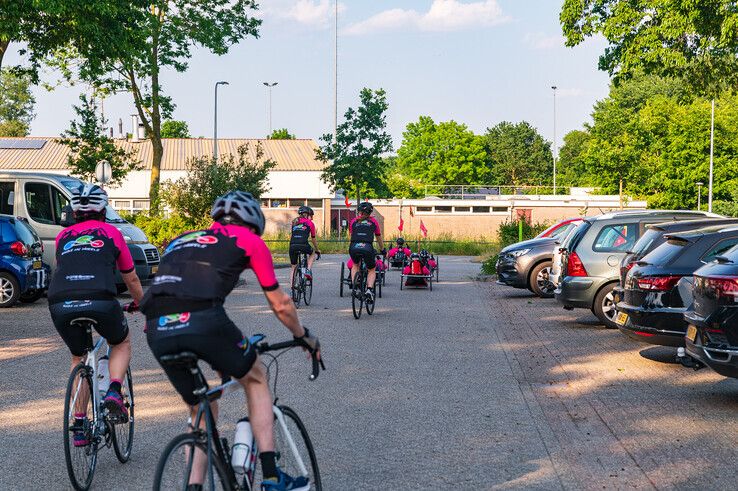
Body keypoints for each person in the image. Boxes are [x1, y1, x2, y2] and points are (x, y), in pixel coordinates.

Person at [141, 191, 320, 491]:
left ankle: (193, 486)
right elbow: (281, 305)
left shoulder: (181, 239)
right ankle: (272, 476)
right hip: (203, 319)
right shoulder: (249, 241)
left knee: (201, 406)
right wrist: (304, 337)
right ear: (253, 222)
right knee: (256, 377)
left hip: (157, 327)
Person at [48, 184, 144, 447]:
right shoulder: (112, 232)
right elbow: (131, 277)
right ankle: (114, 390)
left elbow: (63, 269)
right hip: (101, 299)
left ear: (75, 213)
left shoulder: (63, 236)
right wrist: (144, 305)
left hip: (59, 302)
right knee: (120, 342)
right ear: (103, 211)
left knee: (79, 356)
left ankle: (79, 424)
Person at [348, 202, 385, 303]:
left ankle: (355, 286)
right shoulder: (373, 222)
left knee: (355, 264)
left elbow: (351, 235)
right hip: (367, 247)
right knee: (371, 269)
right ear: (370, 212)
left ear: (359, 211)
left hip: (354, 246)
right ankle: (369, 289)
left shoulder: (353, 221)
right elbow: (378, 237)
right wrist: (382, 249)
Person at [289, 206, 320, 283]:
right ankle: (308, 271)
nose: (312, 218)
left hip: (292, 246)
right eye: (311, 216)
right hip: (303, 245)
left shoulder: (294, 222)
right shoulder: (310, 223)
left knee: (293, 267)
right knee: (312, 253)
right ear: (306, 215)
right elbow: (313, 239)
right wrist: (317, 249)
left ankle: (292, 287)